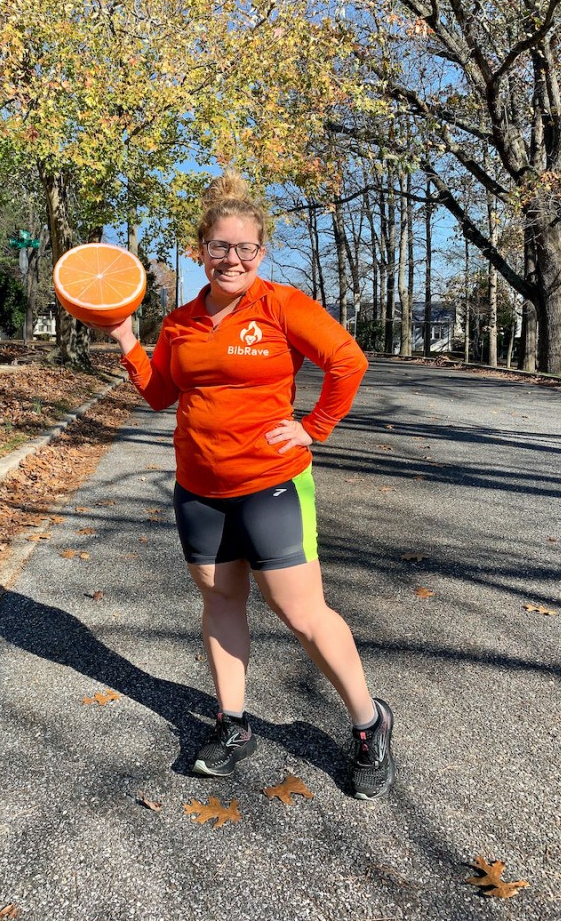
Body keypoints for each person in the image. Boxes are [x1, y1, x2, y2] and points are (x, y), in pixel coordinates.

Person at [100, 171, 395, 800]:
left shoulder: (282, 306)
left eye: (246, 249)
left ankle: (369, 722)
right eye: (220, 247)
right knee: (222, 603)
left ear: (260, 253)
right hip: (199, 487)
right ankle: (232, 724)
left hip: (270, 483)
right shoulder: (179, 324)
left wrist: (314, 427)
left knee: (301, 612)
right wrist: (130, 343)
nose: (232, 259)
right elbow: (160, 395)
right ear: (200, 249)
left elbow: (349, 361)